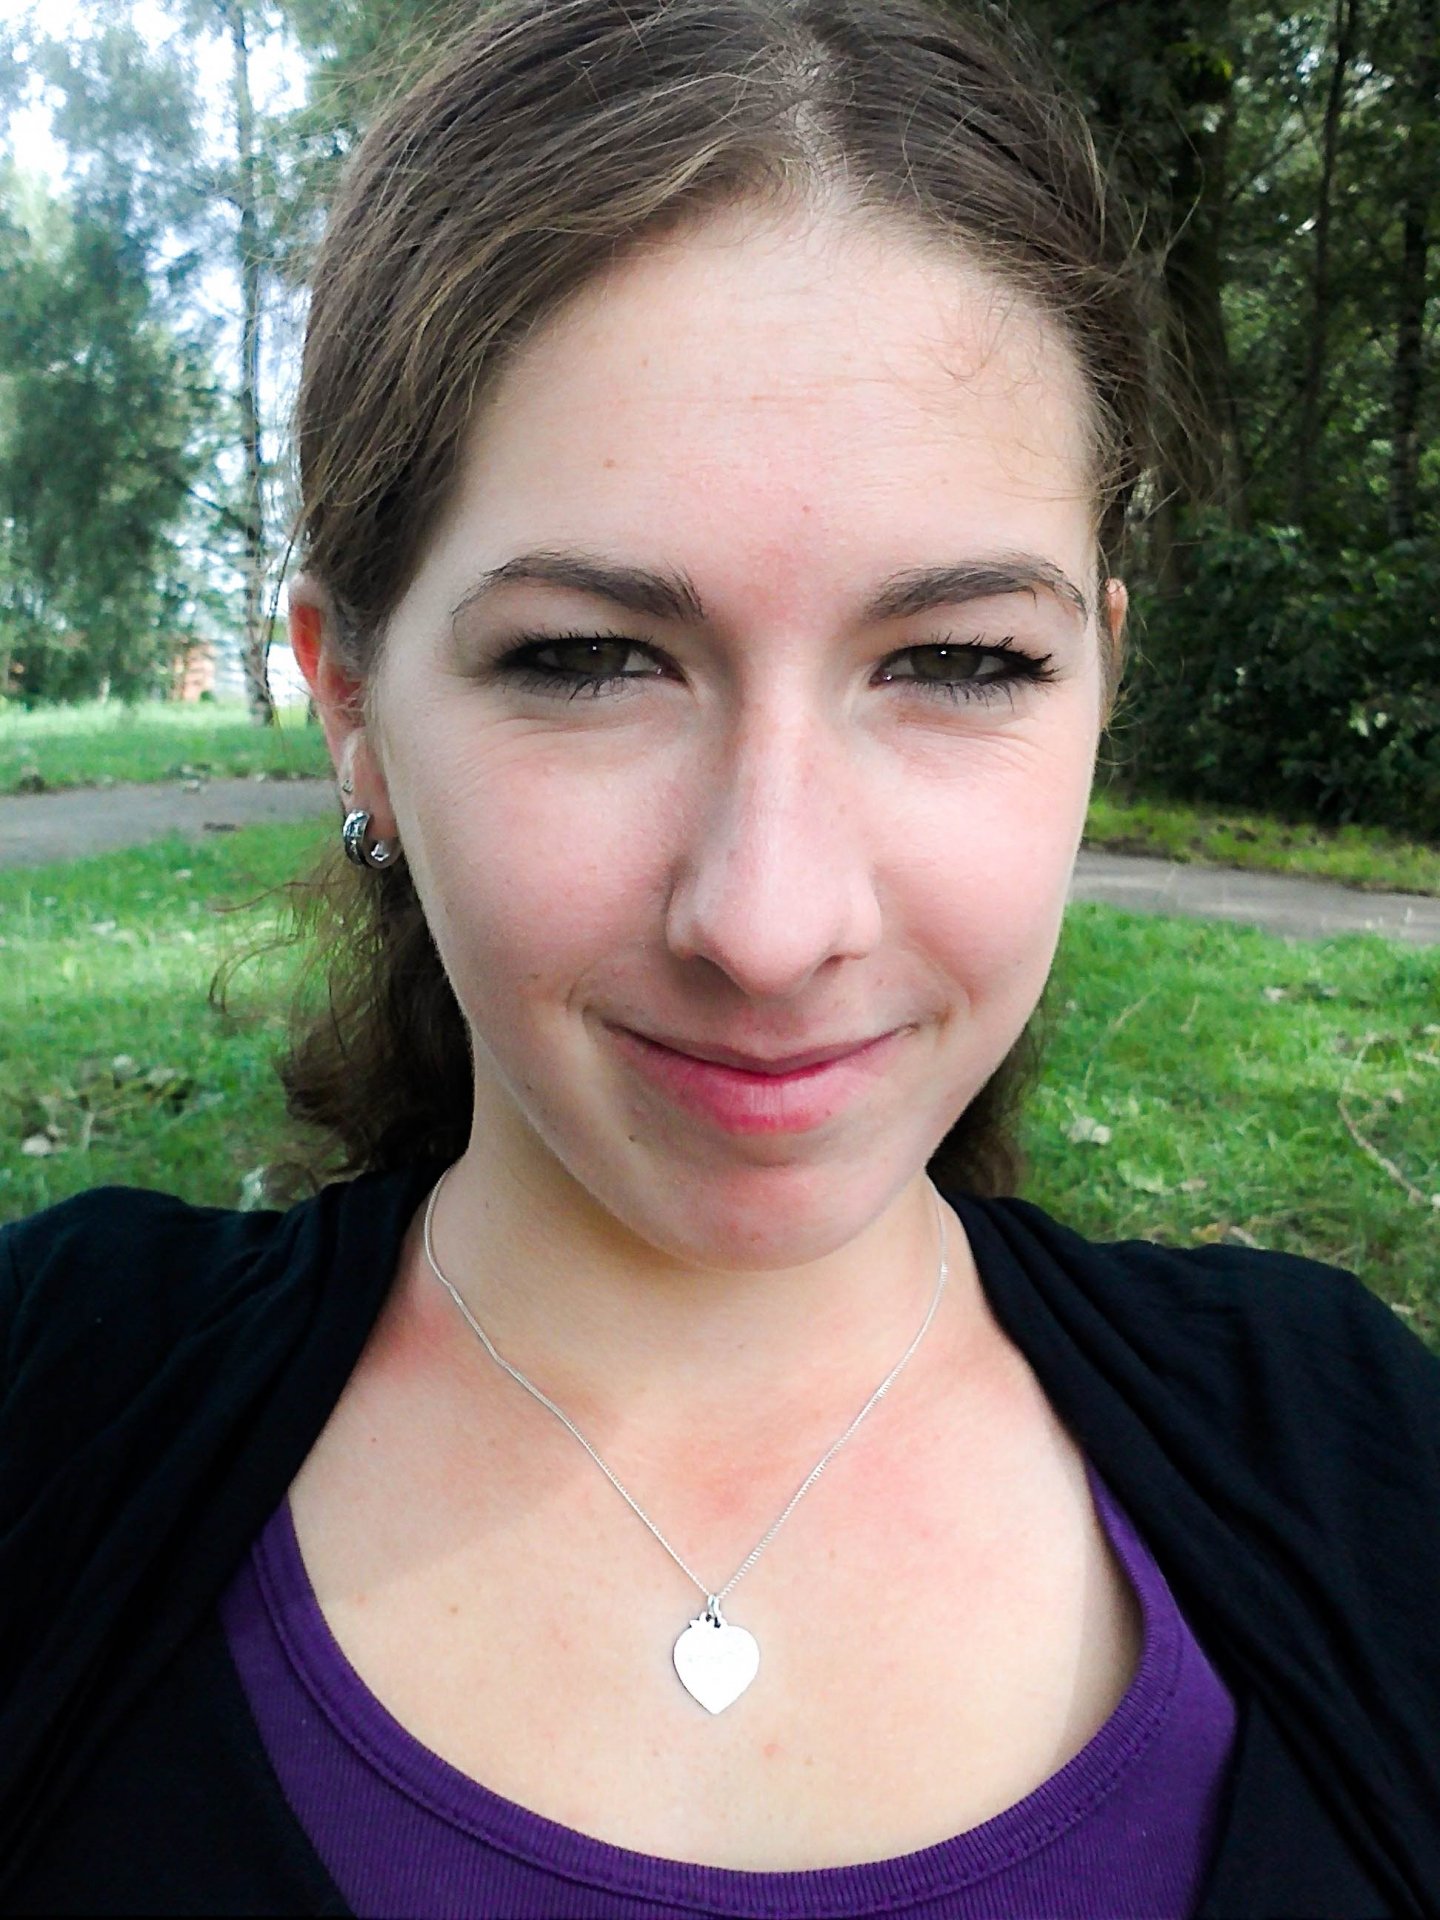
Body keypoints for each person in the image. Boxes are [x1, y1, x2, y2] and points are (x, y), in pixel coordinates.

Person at [2, 0, 1438, 1912]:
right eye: (588, 660)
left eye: (958, 663)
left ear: (1099, 677)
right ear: (352, 701)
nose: (769, 926)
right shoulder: (43, 1412)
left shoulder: (1363, 1457)